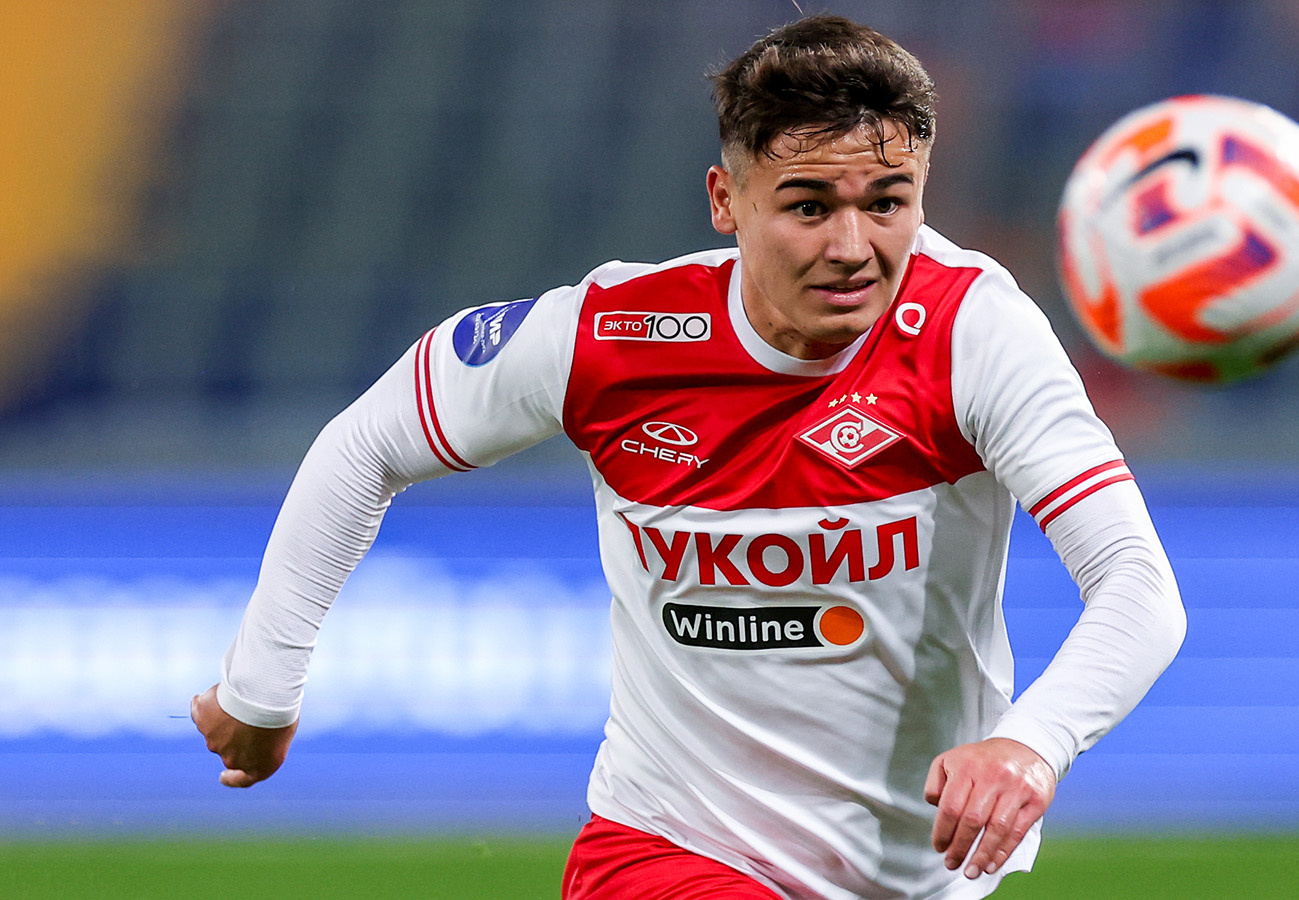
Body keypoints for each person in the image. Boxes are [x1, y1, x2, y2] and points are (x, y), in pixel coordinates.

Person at [191, 14, 1185, 900]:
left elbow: (1138, 587)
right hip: (666, 849)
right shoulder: (610, 338)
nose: (852, 246)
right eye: (808, 206)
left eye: (888, 202)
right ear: (726, 199)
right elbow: (366, 445)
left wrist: (1027, 746)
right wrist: (265, 686)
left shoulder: (974, 331)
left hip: (914, 873)